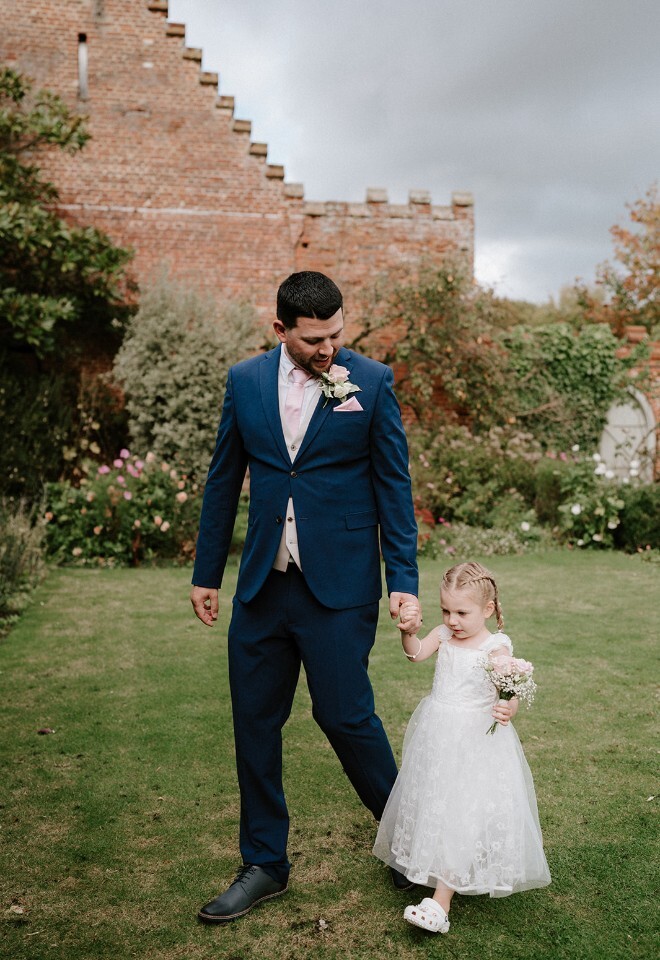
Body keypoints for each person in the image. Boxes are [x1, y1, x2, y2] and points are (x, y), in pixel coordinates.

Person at [190, 271, 419, 922]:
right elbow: (222, 479)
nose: (329, 350)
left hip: (339, 586)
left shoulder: (370, 383)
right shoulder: (244, 381)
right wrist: (207, 573)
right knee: (255, 723)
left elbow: (393, 491)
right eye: (315, 339)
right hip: (263, 584)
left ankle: (410, 840)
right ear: (281, 330)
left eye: (337, 335)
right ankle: (265, 862)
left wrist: (402, 581)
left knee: (345, 716)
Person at [373, 561, 550, 934]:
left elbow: (510, 688)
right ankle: (435, 864)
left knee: (465, 808)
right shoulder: (443, 635)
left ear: (487, 610)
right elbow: (415, 654)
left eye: (462, 612)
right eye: (446, 611)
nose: (452, 620)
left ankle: (441, 901)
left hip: (475, 740)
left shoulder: (495, 645)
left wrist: (509, 706)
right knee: (438, 799)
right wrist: (409, 632)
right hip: (439, 732)